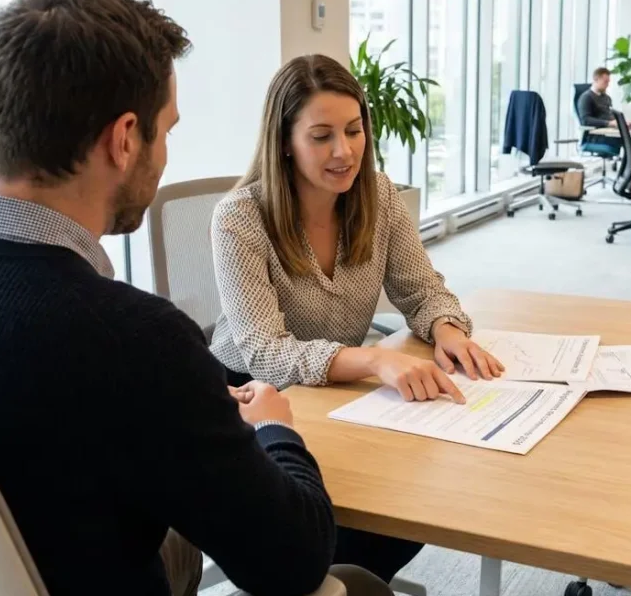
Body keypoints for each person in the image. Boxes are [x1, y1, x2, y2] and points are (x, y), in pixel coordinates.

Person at [0, 0, 393, 596]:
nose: (165, 151)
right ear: (123, 139)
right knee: (356, 584)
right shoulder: (134, 341)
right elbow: (293, 561)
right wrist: (277, 429)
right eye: (165, 131)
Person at [208, 54, 505, 583]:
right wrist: (373, 359)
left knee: (418, 497)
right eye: (321, 136)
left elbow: (421, 288)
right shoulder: (240, 218)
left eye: (353, 130)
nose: (344, 151)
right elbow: (264, 350)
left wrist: (446, 329)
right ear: (284, 141)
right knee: (340, 533)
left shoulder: (380, 196)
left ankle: (346, 582)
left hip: (337, 394)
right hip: (252, 400)